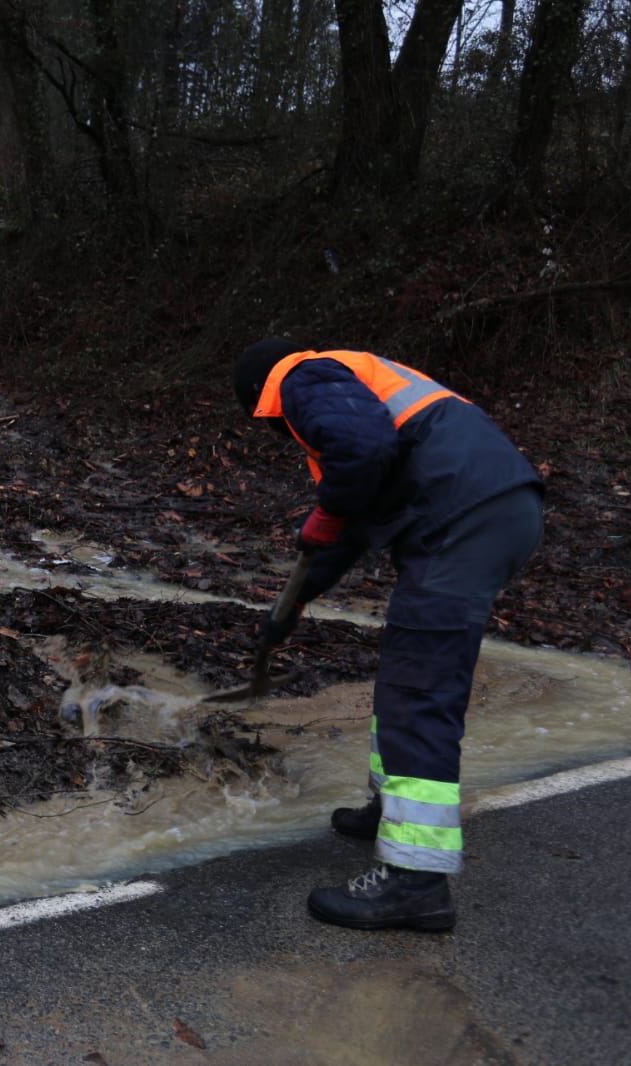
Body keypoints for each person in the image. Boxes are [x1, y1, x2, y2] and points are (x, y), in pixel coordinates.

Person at [231, 340, 544, 931]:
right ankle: (389, 810)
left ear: (261, 400)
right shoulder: (355, 388)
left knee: (418, 696)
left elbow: (362, 452)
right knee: (405, 683)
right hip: (488, 510)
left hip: (464, 519)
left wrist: (328, 506)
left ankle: (415, 883)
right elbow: (342, 533)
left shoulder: (302, 378)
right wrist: (292, 606)